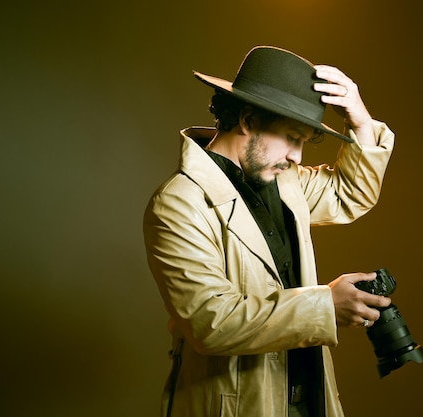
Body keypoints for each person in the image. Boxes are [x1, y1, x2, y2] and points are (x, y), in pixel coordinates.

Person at [143, 46, 395, 417]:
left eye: (304, 143)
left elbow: (348, 193)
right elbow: (209, 322)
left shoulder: (284, 181)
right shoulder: (178, 203)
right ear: (248, 120)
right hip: (237, 407)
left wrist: (360, 122)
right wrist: (326, 305)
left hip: (310, 397)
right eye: (292, 137)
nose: (297, 157)